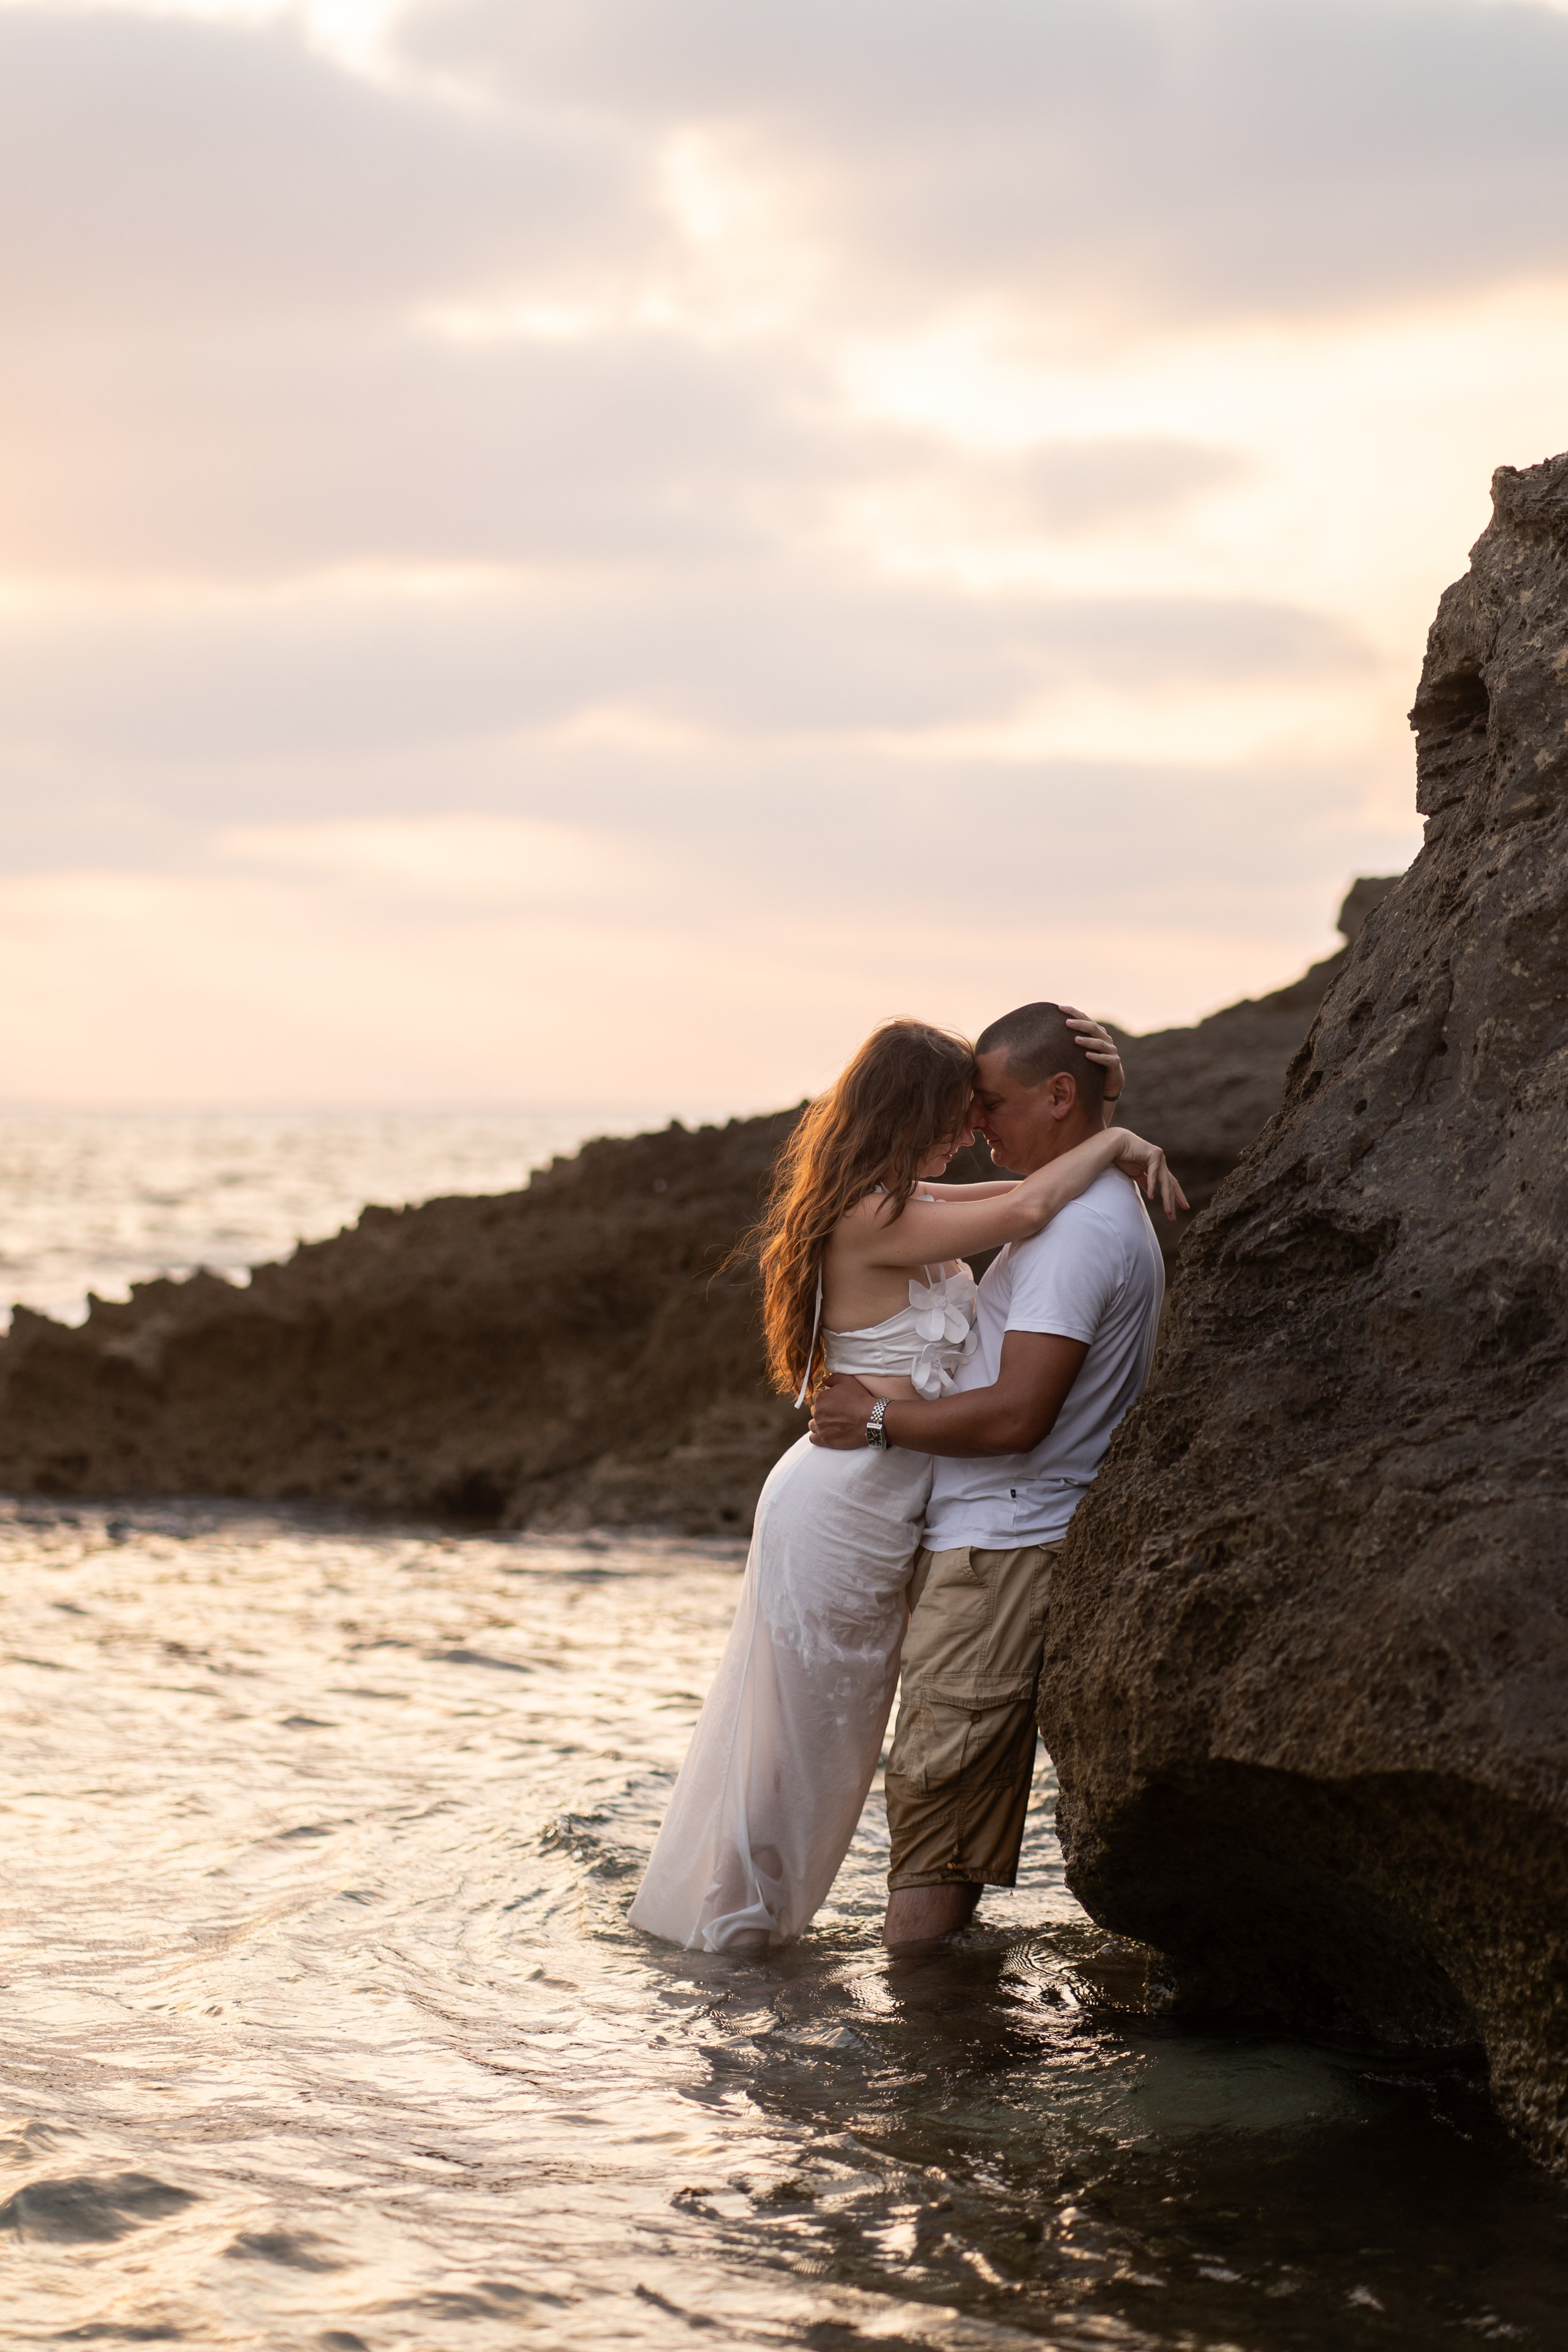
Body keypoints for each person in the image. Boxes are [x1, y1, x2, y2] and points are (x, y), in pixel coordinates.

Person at [628, 1014, 1183, 1956]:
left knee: (838, 1747)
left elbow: (1037, 1184)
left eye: (981, 1108)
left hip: (898, 1497)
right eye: (953, 1112)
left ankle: (766, 1947)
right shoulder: (871, 1212)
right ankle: (734, 1942)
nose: (970, 1128)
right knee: (800, 1737)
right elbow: (1022, 1207)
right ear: (902, 1113)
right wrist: (1118, 1138)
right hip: (843, 1499)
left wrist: (1104, 1116)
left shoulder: (909, 1196)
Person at [809, 1001, 1182, 1948]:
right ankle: (944, 2056)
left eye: (993, 1104)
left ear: (1058, 1095)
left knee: (934, 1838)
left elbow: (1019, 1415)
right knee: (944, 1828)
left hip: (997, 1554)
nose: (977, 1127)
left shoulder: (1075, 1235)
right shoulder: (1071, 1206)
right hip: (983, 1541)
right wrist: (1109, 1120)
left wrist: (882, 1418)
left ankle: (920, 2083)